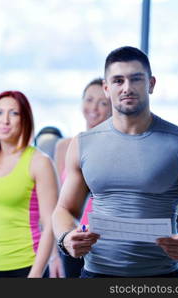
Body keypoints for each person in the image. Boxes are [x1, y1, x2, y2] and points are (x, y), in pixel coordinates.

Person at [52, 46, 178, 278]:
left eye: (136, 79)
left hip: (158, 276)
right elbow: (64, 209)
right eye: (118, 81)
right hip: (96, 273)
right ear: (107, 88)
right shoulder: (83, 144)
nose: (127, 88)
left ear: (151, 84)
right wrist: (66, 239)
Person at [0, 91, 58, 278]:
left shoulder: (40, 162)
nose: (5, 120)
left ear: (25, 119)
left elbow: (50, 223)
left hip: (26, 265)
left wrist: (36, 273)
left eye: (14, 113)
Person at [54, 78, 111, 278]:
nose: (94, 107)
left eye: (103, 102)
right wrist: (56, 249)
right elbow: (58, 206)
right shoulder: (65, 146)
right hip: (72, 239)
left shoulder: (114, 149)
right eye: (88, 100)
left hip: (102, 242)